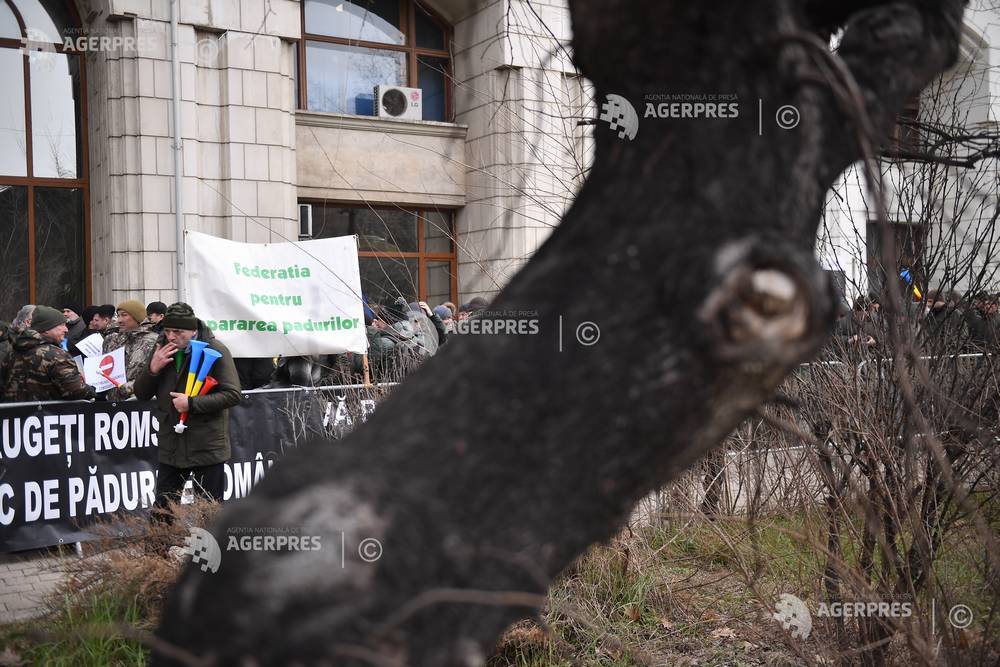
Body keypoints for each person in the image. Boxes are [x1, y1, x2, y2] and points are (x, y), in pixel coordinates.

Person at [134, 302, 241, 510]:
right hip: (171, 445)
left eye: (178, 331)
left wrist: (191, 403)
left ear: (193, 331)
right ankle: (161, 544)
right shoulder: (161, 349)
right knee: (163, 509)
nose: (171, 336)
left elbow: (232, 394)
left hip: (207, 445)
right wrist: (152, 370)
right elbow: (142, 393)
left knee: (208, 509)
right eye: (167, 330)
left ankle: (209, 543)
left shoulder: (216, 350)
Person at [1, 306, 96, 402]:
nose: (66, 330)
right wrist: (92, 390)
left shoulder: (11, 352)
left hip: (14, 414)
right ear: (46, 329)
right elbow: (75, 391)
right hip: (47, 414)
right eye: (62, 325)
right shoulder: (56, 355)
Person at [101, 300, 159, 401]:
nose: (119, 320)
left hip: (138, 403)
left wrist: (131, 387)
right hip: (112, 403)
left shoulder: (153, 341)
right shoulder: (111, 340)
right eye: (118, 316)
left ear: (137, 317)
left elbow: (155, 373)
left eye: (124, 315)